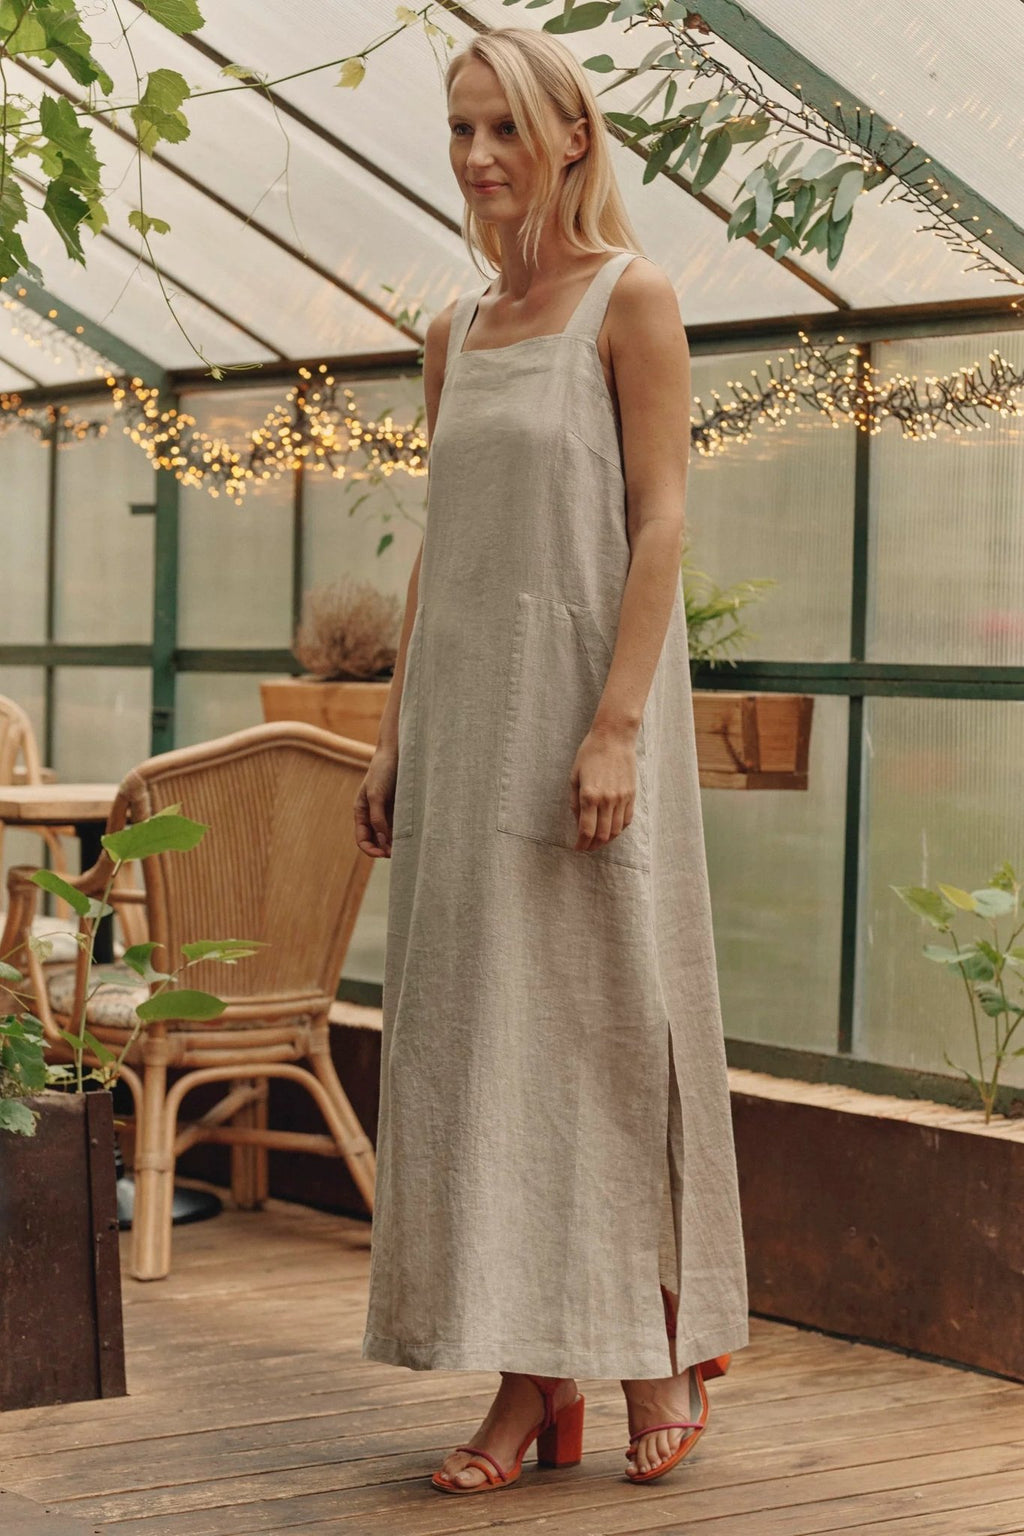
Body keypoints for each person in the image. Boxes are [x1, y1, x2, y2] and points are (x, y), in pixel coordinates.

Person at [353, 24, 749, 1496]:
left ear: (571, 134)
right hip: (466, 735)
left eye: (501, 129)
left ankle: (650, 1348)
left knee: (601, 1031)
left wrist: (616, 728)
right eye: (458, 131)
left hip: (584, 732)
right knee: (487, 1051)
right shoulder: (456, 329)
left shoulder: (630, 303)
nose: (474, 158)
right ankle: (534, 1378)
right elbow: (444, 551)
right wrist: (393, 738)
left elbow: (661, 527)